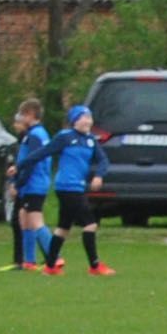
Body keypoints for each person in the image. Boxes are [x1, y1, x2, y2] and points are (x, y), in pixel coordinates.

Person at [40, 104, 114, 276]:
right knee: (90, 224)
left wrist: (99, 175)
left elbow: (103, 161)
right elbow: (43, 153)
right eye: (84, 117)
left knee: (63, 228)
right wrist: (20, 167)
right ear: (74, 121)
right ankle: (95, 266)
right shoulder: (65, 137)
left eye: (89, 117)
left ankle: (50, 266)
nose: (88, 121)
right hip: (67, 187)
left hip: (77, 187)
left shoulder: (90, 140)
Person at [6, 99, 52, 271]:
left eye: (22, 115)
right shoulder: (38, 134)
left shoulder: (34, 136)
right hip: (35, 183)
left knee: (35, 220)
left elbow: (31, 162)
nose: (19, 119)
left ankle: (55, 256)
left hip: (34, 184)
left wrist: (18, 183)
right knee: (23, 217)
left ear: (31, 115)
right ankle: (29, 261)